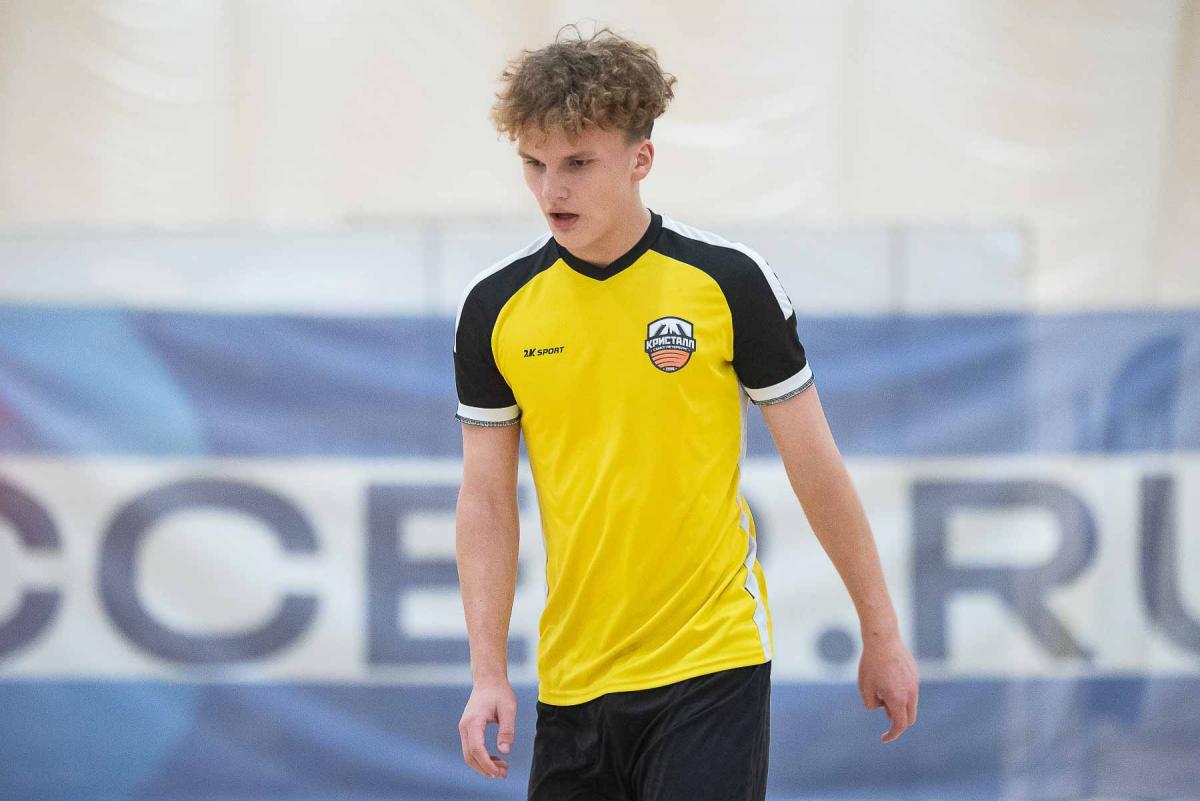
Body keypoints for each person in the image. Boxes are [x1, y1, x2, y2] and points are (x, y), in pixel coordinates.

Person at [453, 25, 919, 801]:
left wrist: (882, 634)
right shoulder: (494, 307)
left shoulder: (728, 281)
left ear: (641, 159)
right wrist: (486, 671)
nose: (551, 190)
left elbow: (814, 465)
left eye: (578, 163)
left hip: (712, 660)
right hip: (572, 678)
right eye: (534, 163)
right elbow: (485, 499)